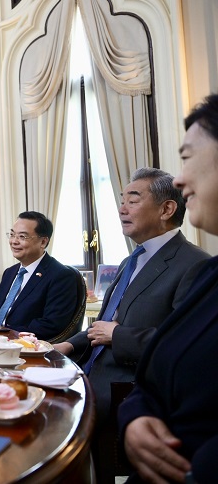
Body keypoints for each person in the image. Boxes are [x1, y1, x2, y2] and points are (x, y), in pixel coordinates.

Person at [54, 168, 208, 483]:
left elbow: (185, 347)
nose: (122, 208)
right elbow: (105, 324)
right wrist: (67, 345)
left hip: (128, 389)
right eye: (122, 200)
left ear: (167, 209)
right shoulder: (130, 261)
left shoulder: (194, 264)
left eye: (133, 200)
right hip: (89, 374)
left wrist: (118, 336)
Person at [119, 94, 218, 484]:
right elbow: (155, 378)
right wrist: (136, 418)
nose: (179, 180)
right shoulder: (211, 276)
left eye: (187, 158)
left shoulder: (192, 265)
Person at [0, 211, 78, 340]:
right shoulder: (9, 273)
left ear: (43, 242)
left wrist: (5, 334)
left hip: (25, 346)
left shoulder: (61, 275)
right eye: (12, 235)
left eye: (22, 237)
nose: (14, 241)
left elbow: (51, 324)